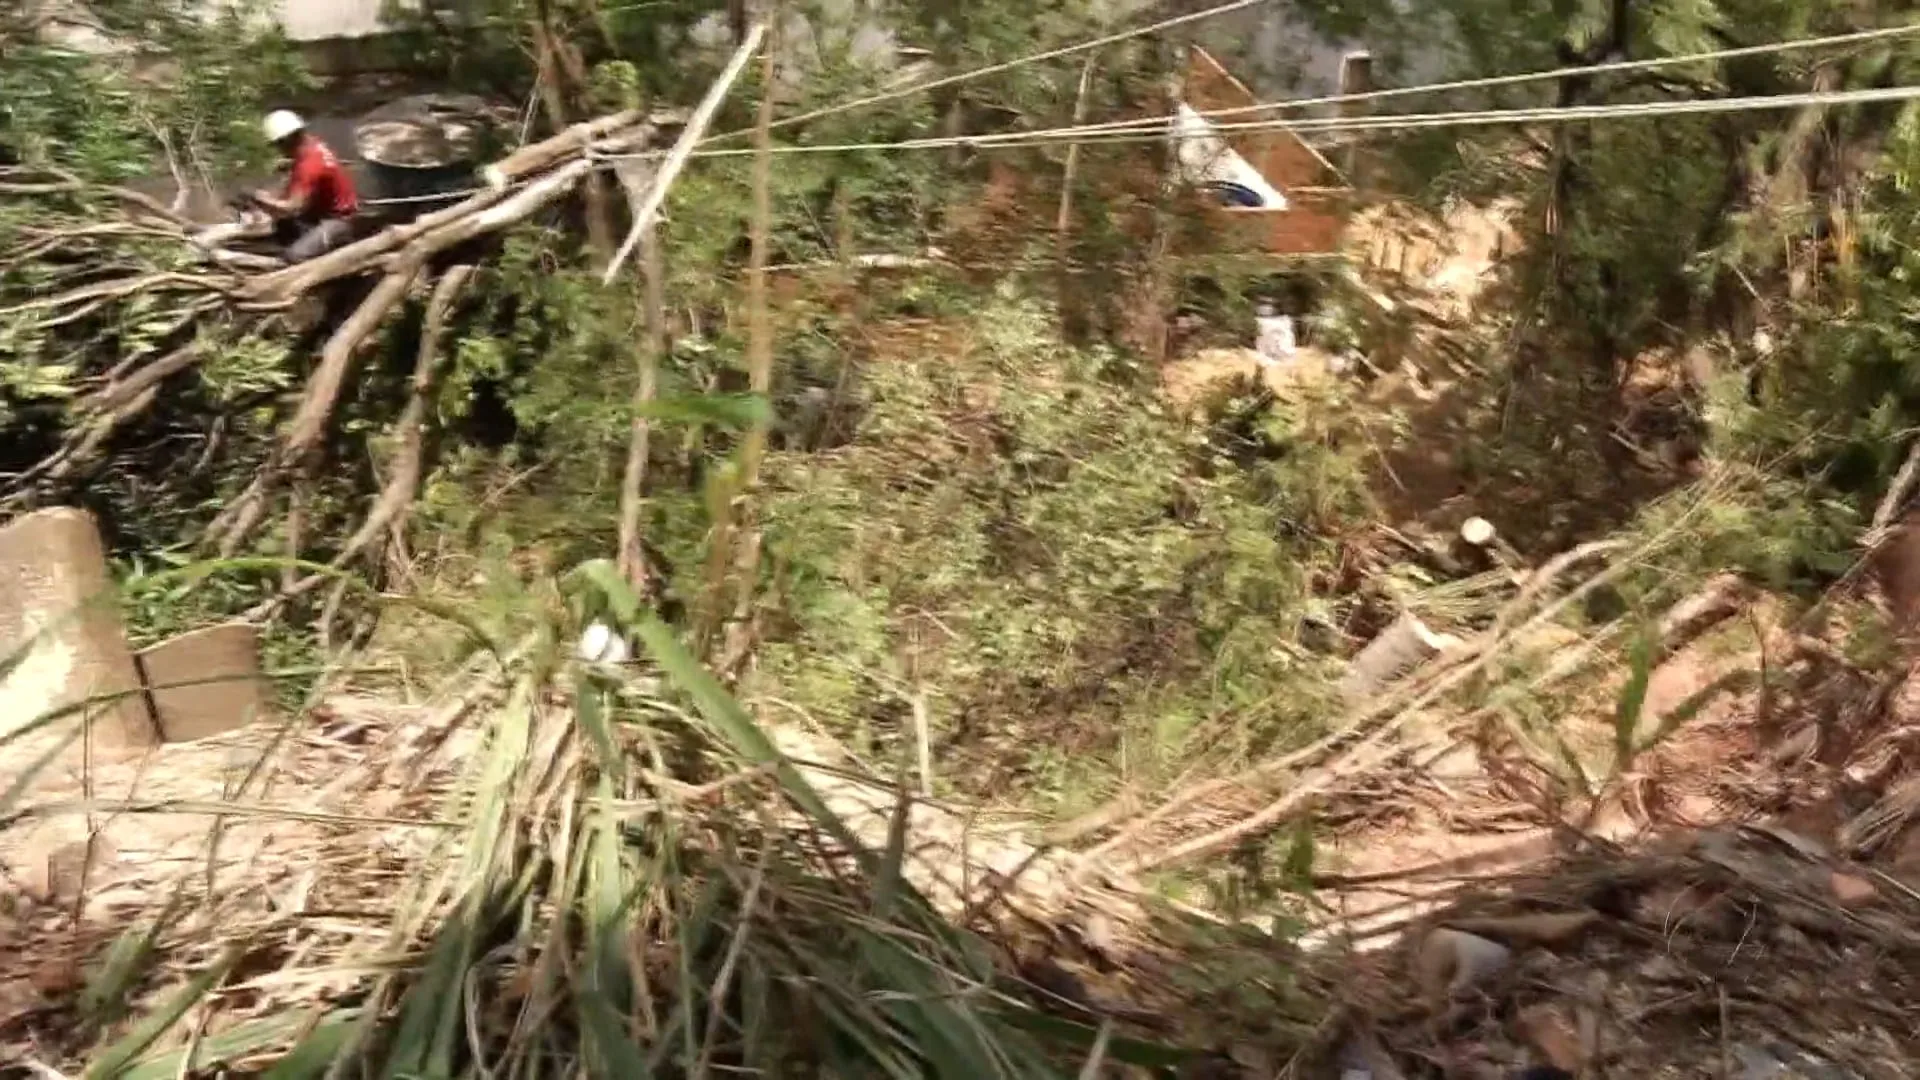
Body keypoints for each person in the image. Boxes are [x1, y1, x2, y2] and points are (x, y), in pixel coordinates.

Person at [250, 110, 359, 264]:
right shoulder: (311, 146)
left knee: (295, 256)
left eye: (277, 145)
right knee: (283, 227)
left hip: (339, 220)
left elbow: (292, 207)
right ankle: (312, 243)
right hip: (324, 210)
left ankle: (330, 276)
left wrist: (261, 200)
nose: (278, 150)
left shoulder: (309, 165)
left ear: (285, 141)